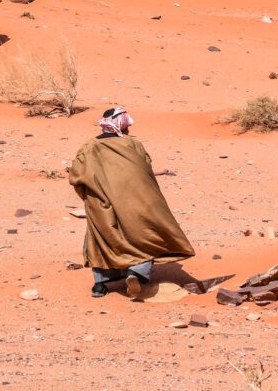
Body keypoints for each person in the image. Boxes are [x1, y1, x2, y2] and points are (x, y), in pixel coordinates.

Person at [68, 107, 195, 298]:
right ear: (123, 125)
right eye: (127, 125)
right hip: (135, 202)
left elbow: (77, 176)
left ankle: (100, 286)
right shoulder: (132, 144)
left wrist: (94, 197)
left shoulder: (89, 147)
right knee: (142, 237)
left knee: (103, 241)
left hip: (101, 204)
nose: (128, 129)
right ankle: (136, 273)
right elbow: (145, 169)